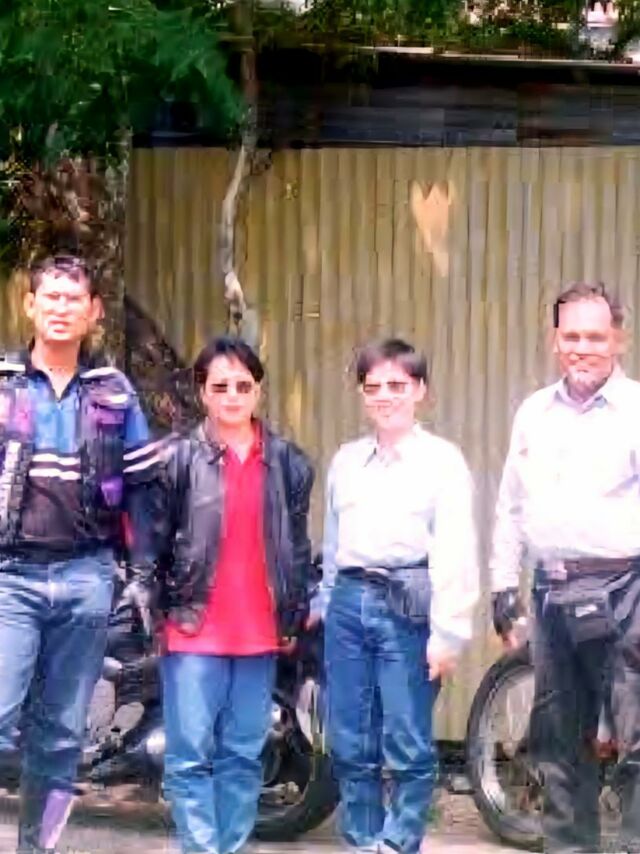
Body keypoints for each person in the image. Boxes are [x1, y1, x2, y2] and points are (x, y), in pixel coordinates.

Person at [0, 254, 160, 854]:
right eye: (51, 296)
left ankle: (35, 848)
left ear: (94, 312)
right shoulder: (4, 385)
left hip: (87, 575)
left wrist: (142, 572)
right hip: (10, 576)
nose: (61, 308)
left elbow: (141, 487)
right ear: (30, 305)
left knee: (62, 735)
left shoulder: (112, 392)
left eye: (74, 299)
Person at [312, 338, 479, 854]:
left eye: (397, 386)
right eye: (373, 387)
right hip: (348, 605)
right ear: (362, 394)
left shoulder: (442, 462)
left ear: (420, 390)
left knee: (406, 741)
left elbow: (456, 549)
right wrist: (325, 603)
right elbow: (334, 543)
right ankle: (364, 841)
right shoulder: (346, 461)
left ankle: (400, 842)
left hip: (408, 607)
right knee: (350, 740)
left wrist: (448, 633)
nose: (385, 396)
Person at [491, 282, 640, 853]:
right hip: (552, 596)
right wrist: (503, 586)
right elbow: (510, 505)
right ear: (555, 339)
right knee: (558, 745)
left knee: (636, 743)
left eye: (596, 337)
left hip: (626, 594)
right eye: (572, 336)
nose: (583, 348)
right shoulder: (534, 412)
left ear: (619, 339)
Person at [156, 336, 314, 854]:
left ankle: (231, 846)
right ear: (202, 392)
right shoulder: (178, 459)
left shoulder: (289, 463)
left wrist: (295, 611)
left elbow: (296, 547)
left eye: (243, 386)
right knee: (189, 758)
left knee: (243, 758)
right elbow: (155, 542)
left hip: (259, 634)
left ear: (258, 391)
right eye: (220, 386)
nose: (232, 396)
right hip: (193, 628)